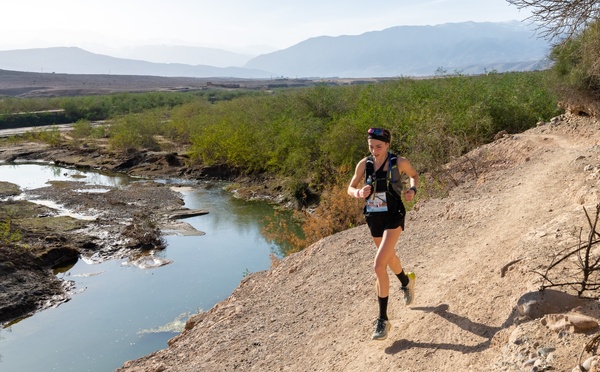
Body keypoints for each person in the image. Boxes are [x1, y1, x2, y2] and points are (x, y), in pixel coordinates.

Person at [347, 127, 419, 341]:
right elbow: (350, 188)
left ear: (387, 145)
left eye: (378, 147)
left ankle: (383, 320)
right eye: (371, 147)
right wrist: (358, 192)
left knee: (378, 265)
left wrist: (412, 191)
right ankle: (407, 281)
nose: (374, 151)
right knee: (387, 258)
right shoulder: (364, 164)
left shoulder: (399, 162)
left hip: (394, 216)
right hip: (373, 217)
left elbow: (414, 176)